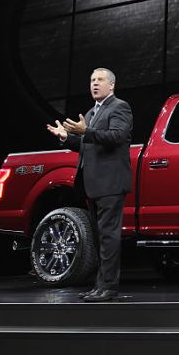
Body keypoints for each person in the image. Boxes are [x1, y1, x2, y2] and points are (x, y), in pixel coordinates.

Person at [46, 67, 133, 302]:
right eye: (92, 80)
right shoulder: (92, 112)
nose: (95, 83)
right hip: (92, 184)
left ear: (111, 85)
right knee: (98, 237)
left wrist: (87, 131)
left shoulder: (119, 107)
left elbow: (117, 136)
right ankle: (99, 286)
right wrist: (66, 137)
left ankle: (109, 287)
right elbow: (87, 144)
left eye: (100, 80)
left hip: (110, 183)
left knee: (108, 237)